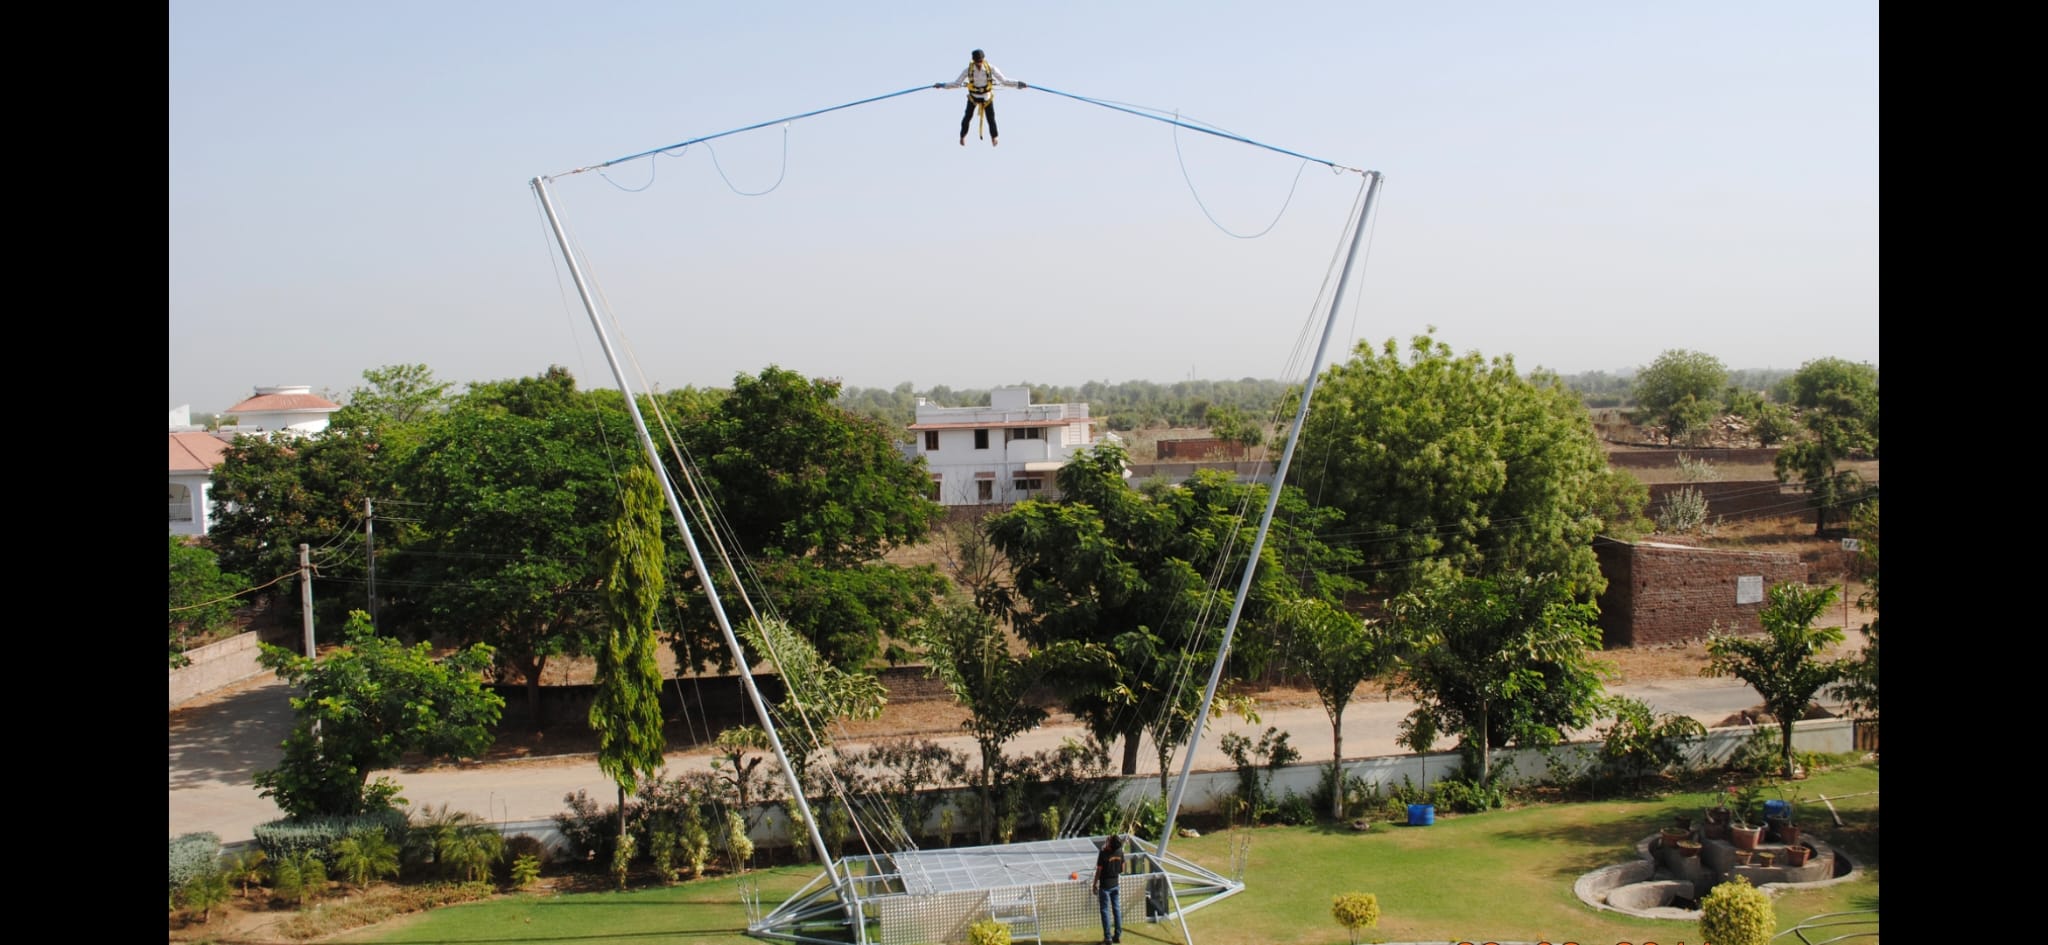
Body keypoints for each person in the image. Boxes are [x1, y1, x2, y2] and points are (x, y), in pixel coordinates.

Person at [935, 48, 1025, 146]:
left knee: (991, 118)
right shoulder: (968, 70)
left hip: (987, 97)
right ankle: (962, 136)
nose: (979, 63)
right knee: (967, 117)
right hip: (973, 97)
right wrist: (942, 85)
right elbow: (957, 84)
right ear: (973, 60)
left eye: (981, 61)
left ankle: (994, 137)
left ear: (983, 59)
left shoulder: (991, 68)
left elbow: (1004, 81)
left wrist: (1018, 84)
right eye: (977, 61)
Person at [1093, 833, 1125, 944]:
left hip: (1105, 887)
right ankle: (1117, 935)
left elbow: (1098, 871)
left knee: (1105, 911)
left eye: (1109, 839)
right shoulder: (1120, 852)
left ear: (1110, 844)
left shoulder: (1103, 854)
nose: (1108, 839)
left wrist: (1094, 884)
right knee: (1116, 910)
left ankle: (1108, 938)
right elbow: (1122, 869)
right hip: (1115, 884)